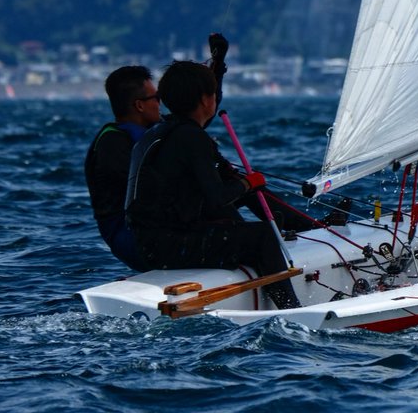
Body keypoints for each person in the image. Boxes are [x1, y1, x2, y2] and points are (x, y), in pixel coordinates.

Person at [125, 59, 301, 309]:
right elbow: (217, 197)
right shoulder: (192, 137)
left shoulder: (157, 132)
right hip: (168, 246)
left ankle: (288, 231)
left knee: (239, 223)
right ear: (207, 101)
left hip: (144, 245)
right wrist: (248, 183)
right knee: (263, 236)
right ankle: (291, 308)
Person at [84, 65, 163, 271]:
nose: (160, 103)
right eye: (156, 98)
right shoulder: (112, 143)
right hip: (126, 234)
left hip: (152, 228)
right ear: (139, 105)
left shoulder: (149, 132)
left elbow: (199, 114)